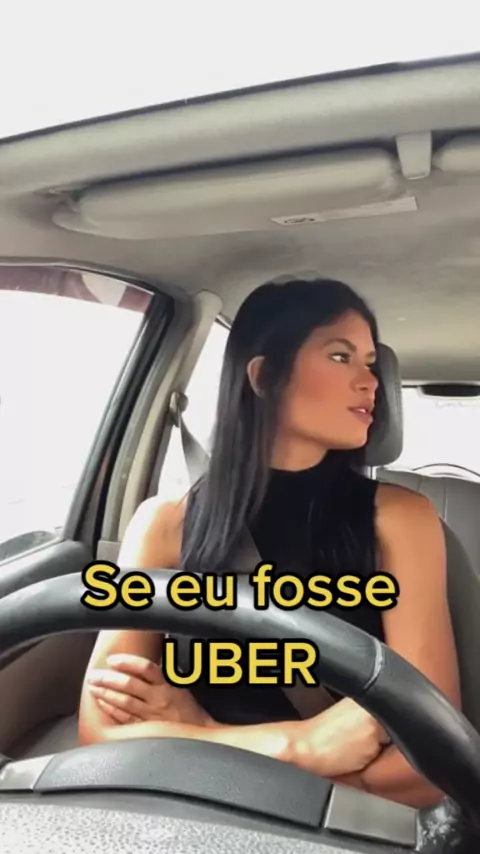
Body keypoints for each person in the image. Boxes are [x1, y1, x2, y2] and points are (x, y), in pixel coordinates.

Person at [78, 277, 460, 809]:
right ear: (263, 377)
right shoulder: (163, 523)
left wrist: (196, 734)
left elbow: (432, 761)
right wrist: (302, 747)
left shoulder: (400, 519)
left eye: (371, 363)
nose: (370, 382)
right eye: (341, 356)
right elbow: (101, 731)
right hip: (191, 812)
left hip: (337, 823)